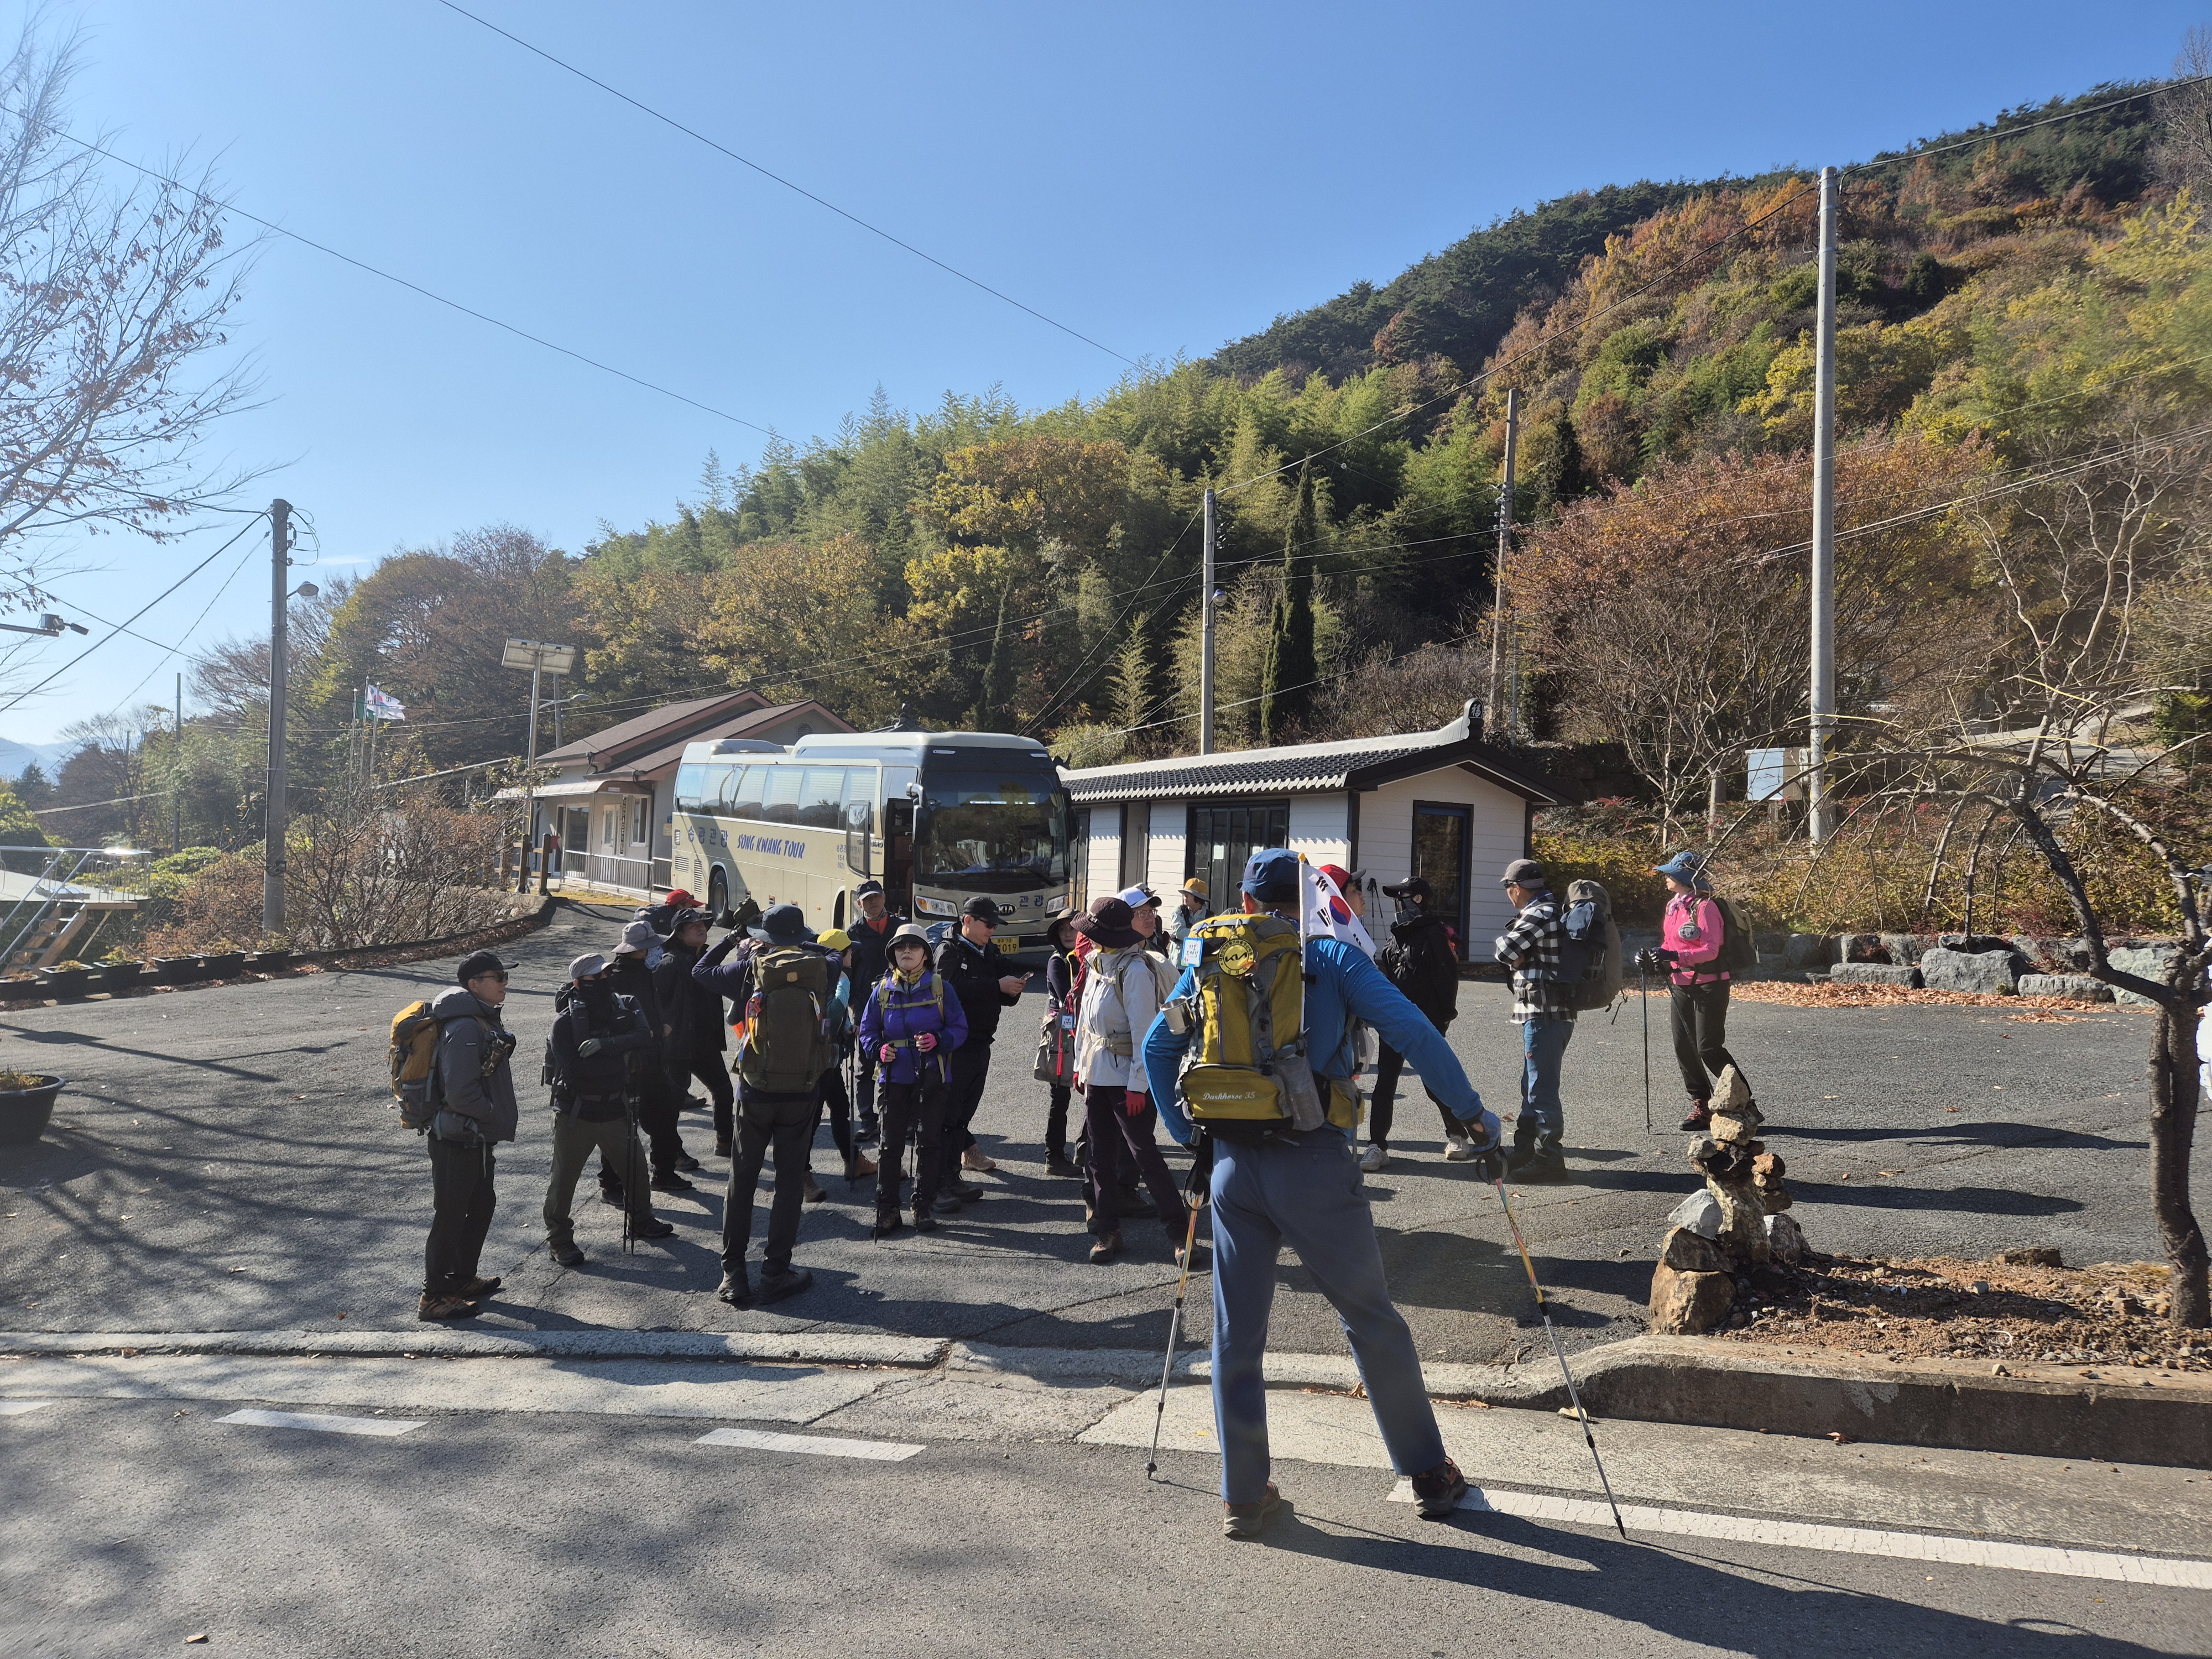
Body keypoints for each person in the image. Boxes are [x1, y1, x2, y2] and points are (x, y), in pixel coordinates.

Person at [1142, 849, 1502, 1537]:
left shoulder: (1211, 956)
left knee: (1235, 1336)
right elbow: (1413, 1030)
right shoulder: (1332, 958)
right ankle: (1427, 1472)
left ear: (1247, 902)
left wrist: (1189, 1135)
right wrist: (1473, 1117)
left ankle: (1243, 1494)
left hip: (1231, 1164)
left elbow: (1160, 1048)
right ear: (1310, 899)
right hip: (1313, 1161)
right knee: (1369, 1317)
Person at [693, 903, 831, 1307]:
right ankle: (776, 1273)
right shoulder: (823, 967)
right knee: (789, 1183)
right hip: (802, 1090)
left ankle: (734, 1275)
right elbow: (838, 951)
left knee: (743, 1180)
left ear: (765, 936)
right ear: (800, 935)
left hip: (756, 1091)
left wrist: (735, 940)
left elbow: (700, 971)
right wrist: (806, 944)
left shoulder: (748, 968)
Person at [542, 952, 676, 1268]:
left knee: (636, 1170)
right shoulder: (565, 1023)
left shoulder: (624, 1005)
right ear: (579, 983)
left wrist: (605, 1046)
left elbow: (646, 1036)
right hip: (576, 1113)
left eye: (606, 974)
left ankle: (641, 1220)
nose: (605, 980)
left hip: (617, 1106)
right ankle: (559, 1240)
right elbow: (576, 1070)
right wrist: (621, 1052)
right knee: (563, 1182)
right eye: (596, 977)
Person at [1072, 895, 1187, 1265]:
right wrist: (1079, 1067)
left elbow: (1144, 1034)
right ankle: (1107, 1232)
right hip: (1097, 1074)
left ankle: (1180, 1234)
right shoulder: (1095, 963)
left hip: (1126, 1081)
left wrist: (1138, 1086)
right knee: (1099, 1157)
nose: (1086, 936)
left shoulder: (1135, 970)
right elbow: (1086, 1025)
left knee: (1145, 1157)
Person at [419, 950, 522, 1321]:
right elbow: (461, 1092)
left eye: (505, 976)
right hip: (458, 1137)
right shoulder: (464, 1026)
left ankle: (461, 1279)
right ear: (474, 984)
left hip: (474, 1137)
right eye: (498, 977)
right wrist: (490, 1114)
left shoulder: (481, 1018)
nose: (505, 983)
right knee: (450, 1215)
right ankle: (434, 1297)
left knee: (480, 1206)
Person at [858, 922, 969, 1237]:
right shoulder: (882, 990)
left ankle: (923, 1206)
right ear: (893, 954)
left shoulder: (941, 989)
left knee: (929, 1142)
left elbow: (960, 1028)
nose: (907, 951)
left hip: (932, 1077)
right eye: (901, 947)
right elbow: (867, 1031)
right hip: (894, 1077)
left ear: (925, 954)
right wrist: (878, 1049)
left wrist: (939, 1040)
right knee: (889, 1144)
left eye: (914, 946)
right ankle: (887, 1210)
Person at [1361, 875, 1474, 1171]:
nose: (1397, 905)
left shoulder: (1435, 934)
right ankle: (1377, 1146)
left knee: (1434, 1082)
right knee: (1385, 1082)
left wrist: (1442, 1020)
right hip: (1393, 1020)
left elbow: (1447, 980)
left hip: (1426, 1023)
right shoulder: (1396, 936)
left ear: (1418, 900)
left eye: (1401, 898)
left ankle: (1458, 1135)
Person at [1641, 851, 1740, 1133]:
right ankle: (1702, 1104)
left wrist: (1673, 956)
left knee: (1708, 1047)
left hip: (1711, 983)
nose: (1666, 877)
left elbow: (1710, 950)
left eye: (1671, 873)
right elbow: (1670, 944)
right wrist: (1653, 957)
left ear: (1685, 878)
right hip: (1681, 983)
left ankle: (1743, 1102)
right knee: (1683, 1046)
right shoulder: (1674, 906)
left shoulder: (1706, 907)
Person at [1493, 856, 1575, 1183]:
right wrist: (1519, 956)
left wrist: (1515, 954)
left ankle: (1549, 1160)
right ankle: (1526, 1151)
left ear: (1516, 888)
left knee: (1541, 1088)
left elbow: (1504, 952)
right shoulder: (1549, 910)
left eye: (1508, 888)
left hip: (1545, 1013)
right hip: (1549, 1012)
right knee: (1531, 1085)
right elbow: (1515, 954)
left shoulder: (1539, 912)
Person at [934, 895, 1029, 1182]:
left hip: (981, 1041)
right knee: (950, 1114)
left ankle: (955, 1171)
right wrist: (995, 986)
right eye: (988, 924)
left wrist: (1013, 988)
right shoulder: (949, 950)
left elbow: (1001, 996)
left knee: (965, 1111)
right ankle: (945, 1179)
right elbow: (949, 990)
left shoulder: (990, 950)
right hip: (956, 1044)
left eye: (995, 926)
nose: (992, 930)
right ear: (968, 920)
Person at [605, 920, 698, 1194]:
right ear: (637, 951)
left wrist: (660, 1027)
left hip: (654, 1063)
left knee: (665, 1118)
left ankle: (664, 1173)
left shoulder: (646, 973)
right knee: (621, 1130)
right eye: (649, 947)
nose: (655, 951)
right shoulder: (615, 979)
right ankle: (611, 1186)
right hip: (630, 1067)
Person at [656, 908, 737, 1157]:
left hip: (705, 1045)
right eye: (693, 926)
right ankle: (672, 1155)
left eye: (703, 924)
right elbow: (655, 1003)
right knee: (672, 1105)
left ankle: (725, 1141)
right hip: (677, 1047)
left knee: (724, 1092)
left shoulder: (706, 960)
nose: (701, 927)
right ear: (679, 935)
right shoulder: (669, 964)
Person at [811, 928, 877, 1188]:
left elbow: (836, 1020)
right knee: (813, 1119)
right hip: (818, 1065)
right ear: (839, 955)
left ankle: (854, 1161)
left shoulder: (822, 975)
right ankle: (801, 1175)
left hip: (829, 1063)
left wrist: (848, 1027)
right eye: (849, 951)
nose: (853, 956)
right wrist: (845, 983)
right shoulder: (831, 980)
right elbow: (834, 1012)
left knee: (839, 1109)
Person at [844, 879, 906, 1144]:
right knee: (866, 1065)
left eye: (877, 897)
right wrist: (853, 1010)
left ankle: (902, 1120)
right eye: (867, 899)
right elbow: (847, 973)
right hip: (866, 1007)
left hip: (900, 1003)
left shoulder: (900, 927)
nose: (873, 902)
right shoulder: (853, 933)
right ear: (860, 904)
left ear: (884, 898)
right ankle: (868, 1121)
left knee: (902, 1060)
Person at [1039, 909, 1083, 1177]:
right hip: (1063, 1035)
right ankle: (1053, 1156)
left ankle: (1085, 1149)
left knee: (1096, 1094)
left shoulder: (1088, 957)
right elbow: (1069, 997)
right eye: (1063, 930)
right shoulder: (1057, 962)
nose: (1068, 934)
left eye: (1072, 929)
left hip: (1085, 1031)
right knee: (1060, 1097)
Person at [1167, 877, 1209, 945]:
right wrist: (1203, 934)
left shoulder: (1209, 916)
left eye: (1188, 895)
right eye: (1184, 894)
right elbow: (1179, 932)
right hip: (1180, 952)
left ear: (1198, 898)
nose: (1185, 897)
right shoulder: (1179, 911)